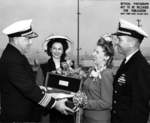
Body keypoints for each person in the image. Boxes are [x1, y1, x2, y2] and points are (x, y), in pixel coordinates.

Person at [0, 19, 74, 123]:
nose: (30, 43)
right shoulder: (13, 60)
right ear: (16, 39)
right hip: (18, 117)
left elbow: (26, 84)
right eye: (27, 39)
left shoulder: (15, 56)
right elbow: (29, 89)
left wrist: (41, 88)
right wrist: (55, 104)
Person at [111, 19, 150, 123]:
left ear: (132, 43)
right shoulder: (128, 62)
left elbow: (139, 109)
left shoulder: (140, 67)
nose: (117, 43)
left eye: (120, 40)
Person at [36, 35, 75, 123]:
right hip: (49, 108)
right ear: (50, 49)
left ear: (63, 50)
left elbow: (74, 86)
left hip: (66, 107)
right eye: (54, 48)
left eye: (59, 49)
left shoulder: (71, 66)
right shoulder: (43, 67)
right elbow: (38, 88)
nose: (57, 51)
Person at [81, 35, 114, 123]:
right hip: (86, 117)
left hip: (99, 120)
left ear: (106, 57)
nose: (93, 54)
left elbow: (106, 103)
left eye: (97, 52)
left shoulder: (106, 74)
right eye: (94, 51)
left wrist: (84, 103)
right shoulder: (92, 70)